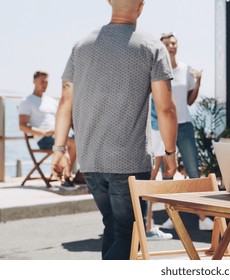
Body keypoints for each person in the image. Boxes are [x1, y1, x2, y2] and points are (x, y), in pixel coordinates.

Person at [51, 0, 178, 260]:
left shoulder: (81, 46)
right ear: (141, 6)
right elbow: (166, 109)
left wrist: (59, 149)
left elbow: (66, 100)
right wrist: (170, 152)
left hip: (90, 161)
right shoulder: (152, 47)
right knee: (129, 233)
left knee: (113, 227)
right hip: (129, 161)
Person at [151, 32, 214, 231]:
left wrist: (199, 82)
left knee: (194, 171)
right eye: (167, 44)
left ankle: (203, 218)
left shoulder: (186, 69)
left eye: (173, 43)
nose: (171, 46)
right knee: (167, 174)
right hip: (164, 127)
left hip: (185, 126)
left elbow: (189, 101)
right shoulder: (156, 70)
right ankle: (171, 218)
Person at [18, 70, 79, 189]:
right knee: (69, 143)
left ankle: (69, 175)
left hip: (58, 135)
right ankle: (65, 177)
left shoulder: (51, 101)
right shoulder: (27, 101)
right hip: (44, 139)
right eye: (41, 82)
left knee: (79, 141)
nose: (44, 85)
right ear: (34, 81)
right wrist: (44, 133)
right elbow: (22, 125)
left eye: (46, 82)